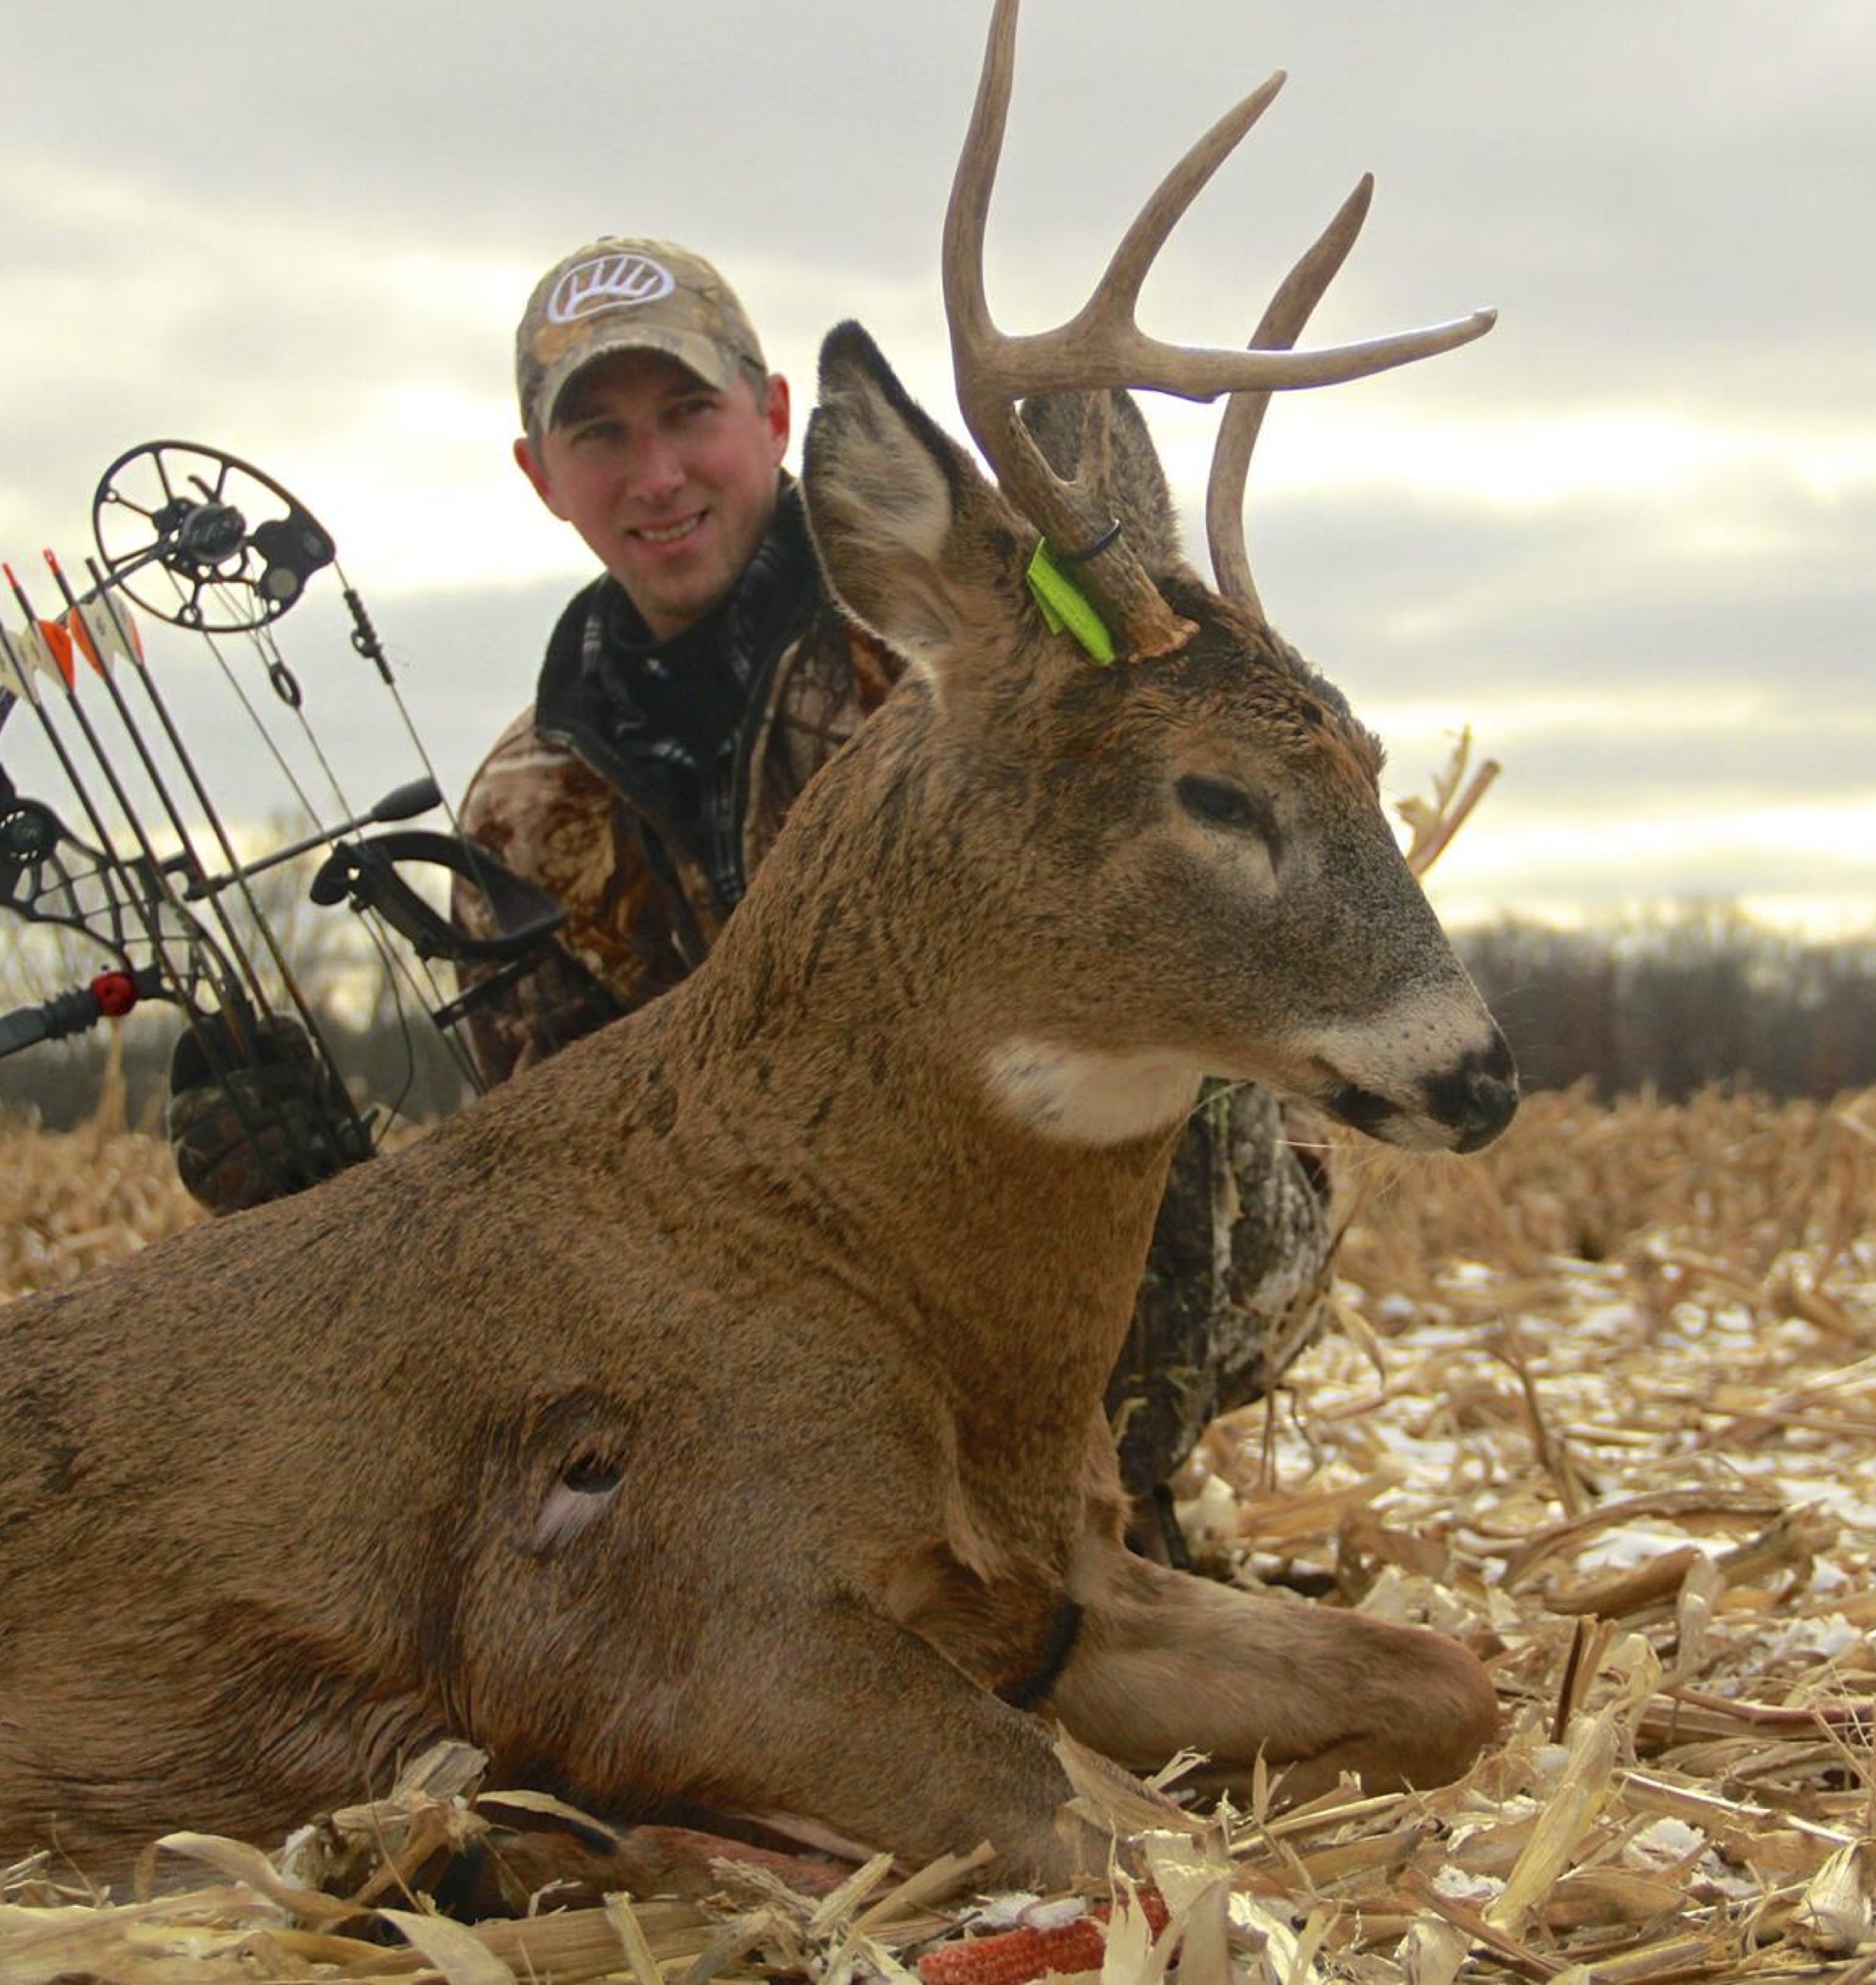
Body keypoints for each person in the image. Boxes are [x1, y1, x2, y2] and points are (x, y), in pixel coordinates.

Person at [450, 237, 1335, 1557]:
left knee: (1132, 1016)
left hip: (1087, 1227)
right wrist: (303, 1186)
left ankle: (1104, 1518)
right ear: (540, 476)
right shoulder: (522, 810)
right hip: (787, 1292)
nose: (657, 475)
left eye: (688, 413)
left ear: (773, 419)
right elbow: (558, 1174)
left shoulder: (970, 654)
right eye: (601, 435)